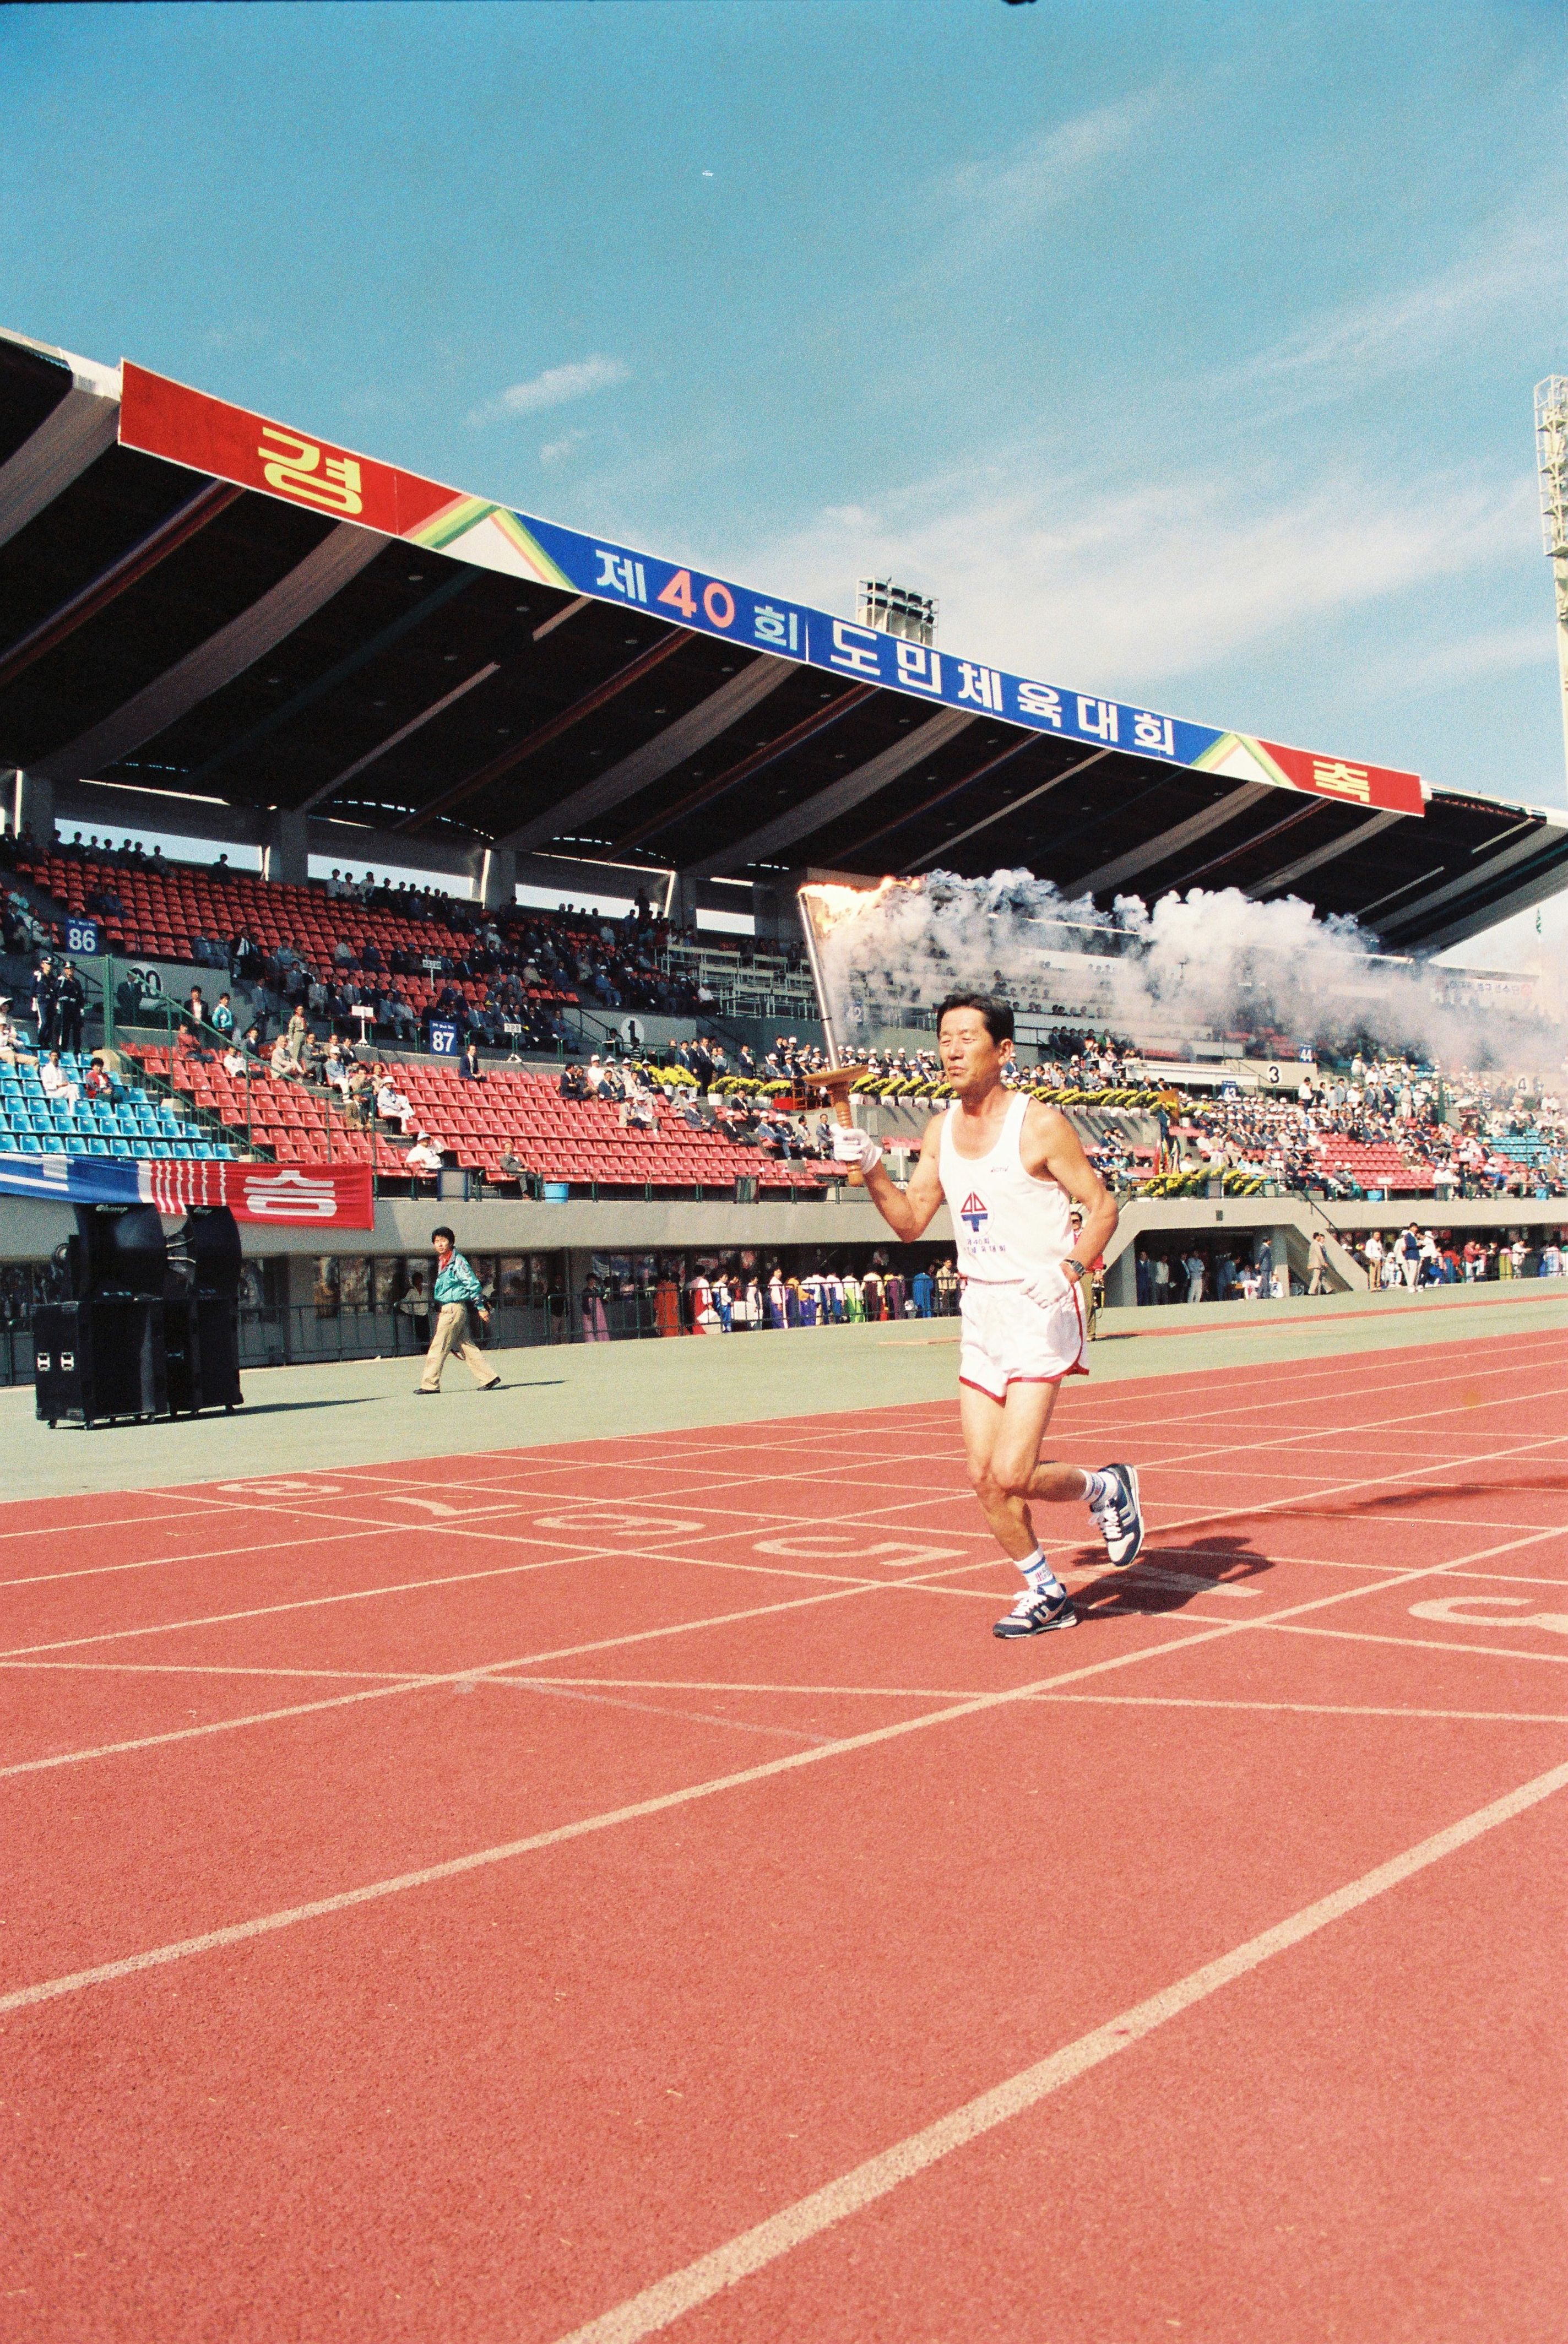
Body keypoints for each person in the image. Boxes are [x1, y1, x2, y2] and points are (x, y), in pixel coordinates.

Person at [833, 990, 1141, 1638]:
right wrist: (866, 1167)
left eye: (966, 1037)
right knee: (983, 1477)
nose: (950, 1049)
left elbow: (1103, 1205)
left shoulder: (1040, 1124)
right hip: (982, 1314)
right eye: (944, 1037)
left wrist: (1070, 1270)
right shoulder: (940, 1129)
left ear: (1003, 1050)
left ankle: (1106, 1488)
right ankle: (1047, 1592)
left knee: (1014, 1470)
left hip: (1040, 1303)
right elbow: (912, 1220)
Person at [416, 1228, 501, 1392]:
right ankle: (489, 1377)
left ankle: (430, 1384)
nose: (440, 1244)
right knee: (466, 1345)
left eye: (443, 1240)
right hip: (451, 1309)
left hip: (453, 1308)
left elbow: (472, 1284)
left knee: (438, 1347)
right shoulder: (443, 1261)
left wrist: (480, 1307)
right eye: (436, 1241)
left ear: (451, 1242)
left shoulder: (458, 1262)